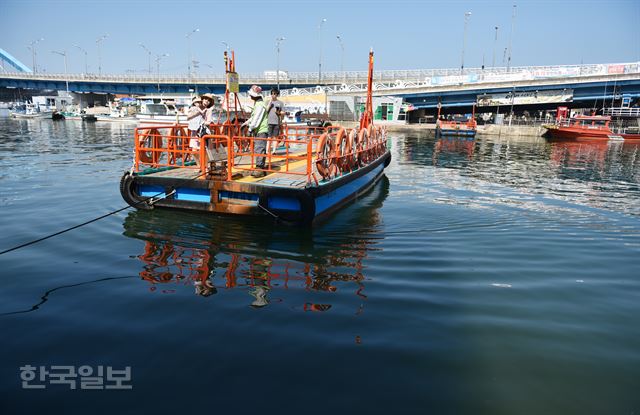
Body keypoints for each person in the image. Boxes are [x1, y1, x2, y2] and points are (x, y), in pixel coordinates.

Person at [242, 85, 269, 178]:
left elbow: (257, 118)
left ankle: (260, 168)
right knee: (258, 148)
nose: (250, 96)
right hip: (259, 130)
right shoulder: (258, 104)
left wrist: (250, 129)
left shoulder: (260, 105)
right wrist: (246, 123)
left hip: (261, 130)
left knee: (260, 148)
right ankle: (259, 167)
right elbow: (253, 117)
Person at [188, 96, 205, 167]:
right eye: (196, 102)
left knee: (202, 150)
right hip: (194, 132)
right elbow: (188, 117)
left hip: (201, 132)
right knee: (194, 150)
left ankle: (203, 165)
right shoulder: (191, 109)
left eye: (199, 102)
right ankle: (199, 165)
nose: (198, 103)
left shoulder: (204, 109)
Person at [266, 88, 284, 154]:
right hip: (269, 122)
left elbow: (282, 112)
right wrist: (270, 103)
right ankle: (267, 151)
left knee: (275, 137)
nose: (273, 95)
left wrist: (281, 113)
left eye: (274, 94)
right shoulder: (268, 102)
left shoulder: (280, 103)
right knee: (269, 137)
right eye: (272, 94)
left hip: (277, 122)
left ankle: (274, 151)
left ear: (277, 94)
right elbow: (266, 111)